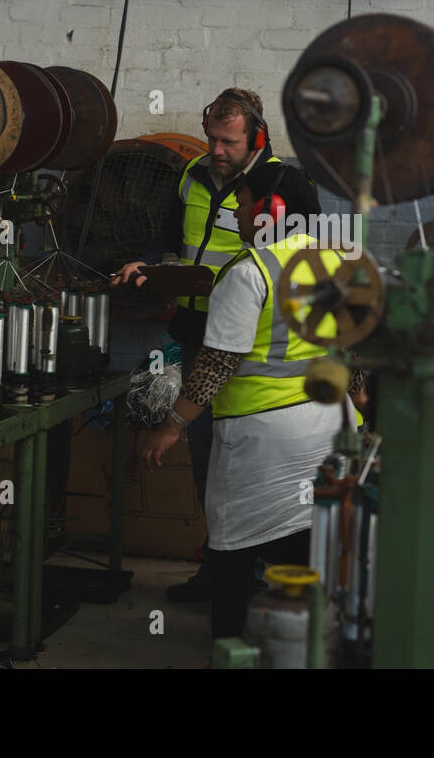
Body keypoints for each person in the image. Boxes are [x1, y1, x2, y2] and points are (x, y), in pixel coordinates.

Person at [136, 162, 367, 639]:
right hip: (333, 426)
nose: (235, 214)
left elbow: (217, 362)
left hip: (264, 435)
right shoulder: (338, 261)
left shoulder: (251, 272)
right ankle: (313, 643)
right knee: (311, 539)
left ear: (271, 209)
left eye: (241, 204)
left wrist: (173, 425)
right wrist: (363, 404)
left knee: (234, 547)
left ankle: (229, 646)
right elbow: (353, 349)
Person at [112, 88, 282, 602]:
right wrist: (147, 261)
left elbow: (297, 264)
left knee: (250, 465)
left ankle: (257, 575)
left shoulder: (282, 187)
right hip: (197, 334)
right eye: (211, 138)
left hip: (251, 346)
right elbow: (167, 234)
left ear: (256, 138)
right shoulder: (193, 176)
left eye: (228, 142)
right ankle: (220, 570)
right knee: (208, 461)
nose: (215, 150)